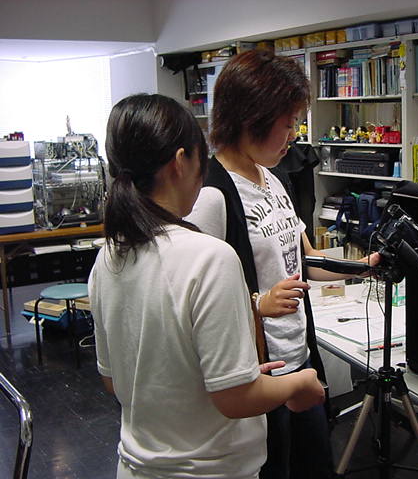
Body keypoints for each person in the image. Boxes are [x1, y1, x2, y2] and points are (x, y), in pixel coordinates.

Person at [89, 93, 325, 479]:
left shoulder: (110, 256)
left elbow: (116, 380)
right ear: (181, 161)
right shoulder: (211, 257)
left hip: (135, 466)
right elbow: (236, 399)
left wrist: (228, 372)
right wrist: (299, 383)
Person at [185, 50, 380, 479]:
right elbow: (194, 303)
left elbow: (305, 262)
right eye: (288, 123)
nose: (293, 134)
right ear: (251, 117)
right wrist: (258, 303)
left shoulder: (273, 178)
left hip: (299, 359)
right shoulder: (211, 195)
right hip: (258, 372)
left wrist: (364, 266)